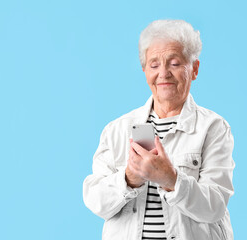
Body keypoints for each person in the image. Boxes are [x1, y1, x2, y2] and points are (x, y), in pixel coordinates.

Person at [83, 19, 235, 240]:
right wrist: (128, 179)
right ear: (144, 70)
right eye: (154, 65)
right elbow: (96, 201)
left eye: (174, 63)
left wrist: (172, 180)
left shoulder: (213, 128)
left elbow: (215, 205)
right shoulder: (117, 129)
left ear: (194, 69)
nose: (163, 73)